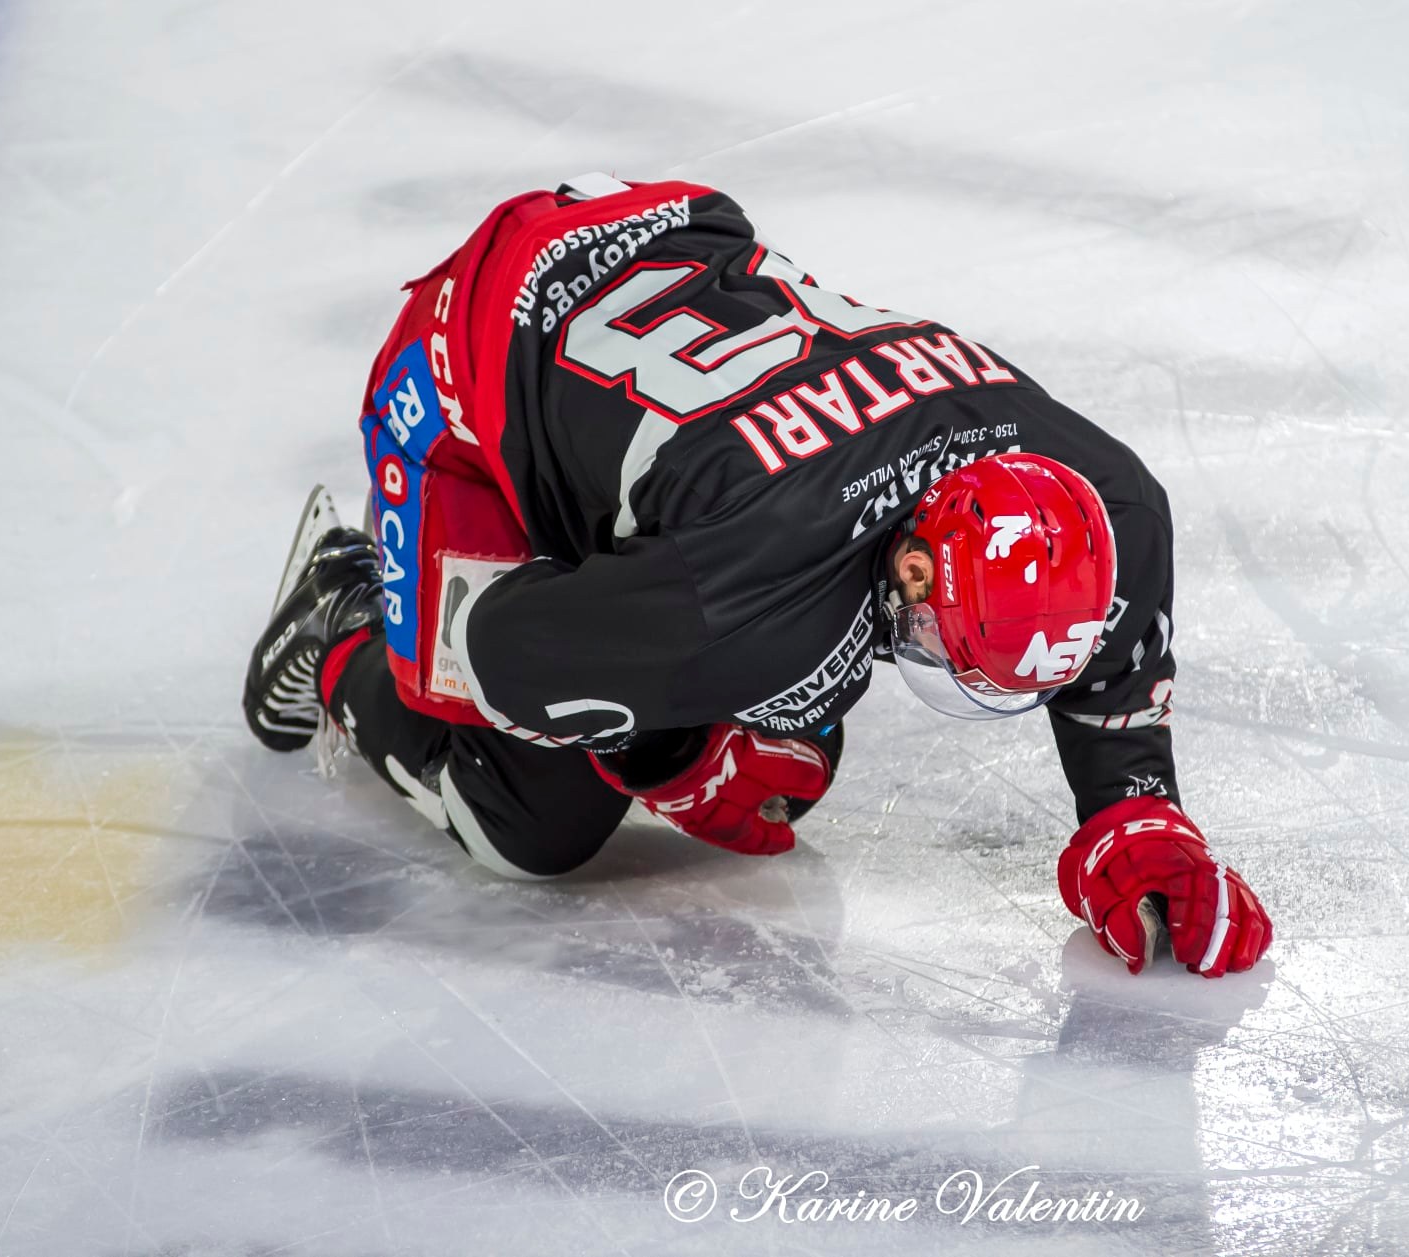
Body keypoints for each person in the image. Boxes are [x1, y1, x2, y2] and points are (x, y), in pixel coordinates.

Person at [241, 173, 1271, 979]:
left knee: (785, 738)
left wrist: (1133, 810)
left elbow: (1105, 650)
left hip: (666, 244)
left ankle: (649, 600)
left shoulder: (1109, 504)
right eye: (933, 637)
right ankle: (339, 605)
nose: (918, 656)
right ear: (915, 562)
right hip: (469, 355)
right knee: (525, 824)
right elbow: (503, 653)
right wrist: (663, 742)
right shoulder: (744, 595)